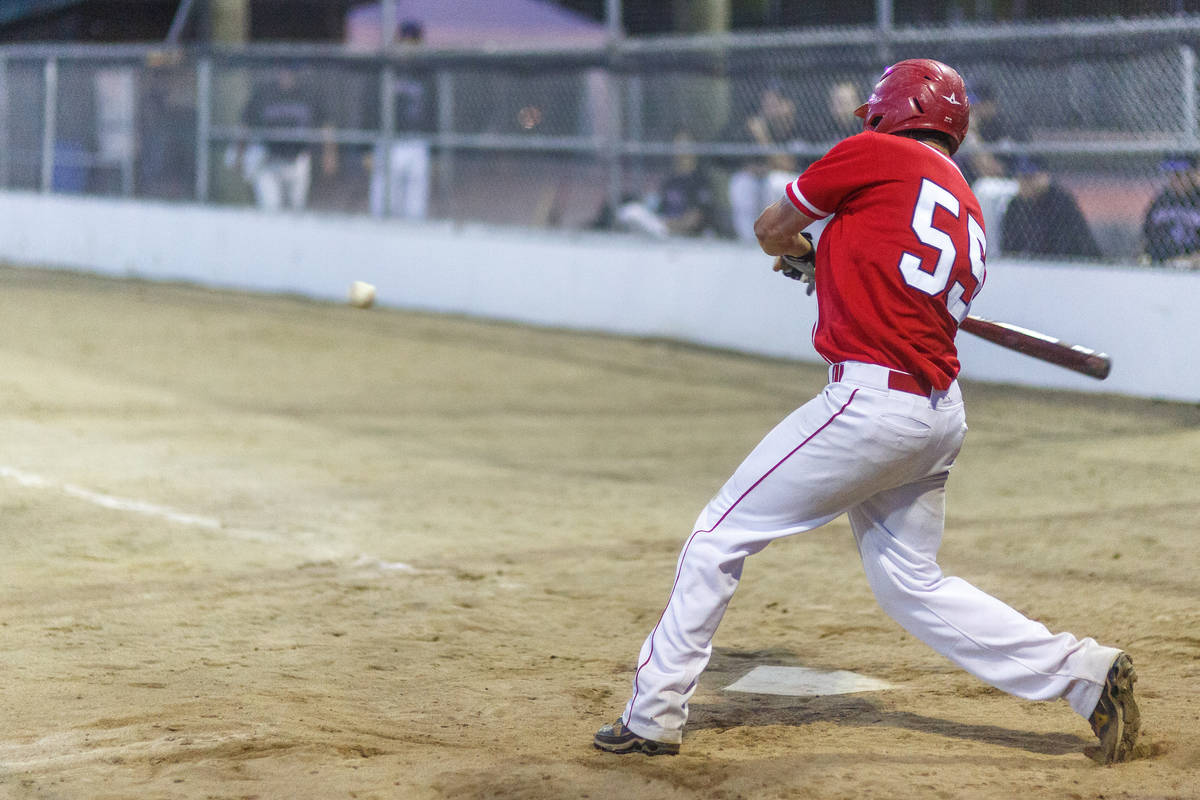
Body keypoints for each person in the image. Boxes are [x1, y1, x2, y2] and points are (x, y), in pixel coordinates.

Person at [593, 58, 1141, 766]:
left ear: (894, 112)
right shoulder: (965, 200)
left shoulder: (874, 152)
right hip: (938, 414)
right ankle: (1082, 673)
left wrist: (802, 252)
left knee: (715, 536)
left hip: (871, 406)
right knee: (911, 584)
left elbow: (770, 226)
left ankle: (652, 714)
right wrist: (826, 263)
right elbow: (893, 274)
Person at [235, 65, 338, 211]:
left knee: (296, 210)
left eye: (291, 70)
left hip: (298, 160)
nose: (286, 75)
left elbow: (326, 125)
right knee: (271, 207)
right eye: (283, 70)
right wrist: (239, 153)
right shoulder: (264, 93)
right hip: (268, 160)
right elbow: (245, 124)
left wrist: (330, 154)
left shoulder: (308, 94)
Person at [369, 19, 434, 220]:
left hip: (416, 142)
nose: (409, 45)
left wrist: (437, 151)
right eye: (405, 40)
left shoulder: (427, 74)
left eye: (413, 41)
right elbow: (369, 108)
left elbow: (434, 113)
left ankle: (412, 248)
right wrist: (366, 148)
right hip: (388, 141)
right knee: (383, 206)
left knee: (415, 210)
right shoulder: (386, 70)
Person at [725, 80, 803, 242]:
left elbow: (788, 165)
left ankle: (777, 241)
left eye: (774, 103)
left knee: (773, 181)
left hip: (800, 185)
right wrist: (754, 168)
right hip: (766, 179)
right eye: (766, 103)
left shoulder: (801, 126)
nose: (768, 108)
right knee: (742, 182)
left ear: (788, 106)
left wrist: (763, 138)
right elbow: (743, 161)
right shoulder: (763, 126)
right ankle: (748, 242)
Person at [614, 131, 721, 238]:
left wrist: (671, 226)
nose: (680, 150)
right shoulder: (670, 181)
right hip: (664, 231)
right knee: (631, 211)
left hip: (688, 235)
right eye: (677, 145)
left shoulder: (700, 181)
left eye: (684, 145)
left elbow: (696, 218)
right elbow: (660, 210)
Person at [1001, 155, 1101, 260]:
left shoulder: (1060, 202)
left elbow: (1070, 246)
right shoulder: (1015, 206)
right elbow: (1008, 247)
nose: (1026, 183)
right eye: (1021, 178)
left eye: (1030, 177)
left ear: (1045, 176)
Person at [1142, 153, 1200, 268]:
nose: (1173, 179)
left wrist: (1189, 261)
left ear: (1192, 174)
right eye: (1170, 174)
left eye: (1178, 175)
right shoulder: (1161, 199)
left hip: (1191, 263)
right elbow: (1146, 235)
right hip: (1159, 261)